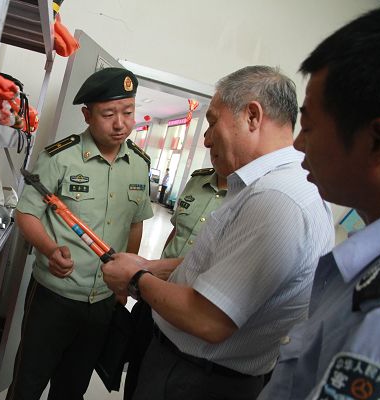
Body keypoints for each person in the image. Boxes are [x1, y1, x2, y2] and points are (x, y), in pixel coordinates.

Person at [102, 65, 334, 400]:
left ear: (252, 116)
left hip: (195, 380)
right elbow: (226, 266)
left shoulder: (275, 199)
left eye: (213, 122)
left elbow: (208, 319)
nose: (207, 138)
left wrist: (136, 278)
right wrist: (155, 267)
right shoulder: (275, 187)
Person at [258, 7, 380, 399]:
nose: (298, 144)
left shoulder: (377, 318)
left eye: (309, 127)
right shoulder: (363, 269)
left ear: (376, 140)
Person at [6, 67, 154, 400]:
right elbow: (26, 213)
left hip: (103, 300)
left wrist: (125, 281)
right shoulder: (61, 157)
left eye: (128, 112)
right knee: (28, 382)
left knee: (72, 388)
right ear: (87, 115)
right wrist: (49, 249)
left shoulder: (139, 165)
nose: (120, 124)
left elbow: (135, 223)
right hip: (54, 296)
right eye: (108, 114)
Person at [124, 167, 227, 400]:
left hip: (190, 307)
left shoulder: (248, 198)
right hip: (156, 294)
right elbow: (178, 232)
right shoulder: (198, 181)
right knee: (137, 373)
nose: (210, 147)